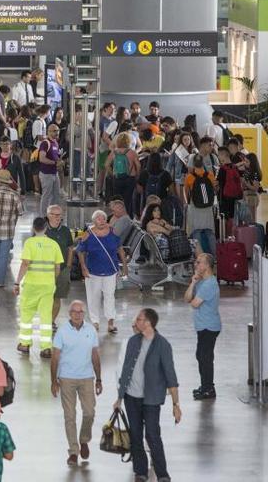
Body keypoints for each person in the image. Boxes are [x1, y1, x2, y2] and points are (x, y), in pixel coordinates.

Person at [114, 308, 181, 482]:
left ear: (149, 323)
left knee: (152, 435)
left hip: (152, 399)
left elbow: (171, 376)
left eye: (139, 319)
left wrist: (176, 405)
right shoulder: (133, 342)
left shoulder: (162, 345)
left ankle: (162, 474)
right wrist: (120, 397)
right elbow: (126, 370)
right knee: (135, 435)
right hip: (131, 397)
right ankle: (140, 471)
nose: (136, 321)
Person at [50, 300, 102, 466]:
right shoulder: (62, 332)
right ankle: (73, 451)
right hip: (67, 378)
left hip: (87, 377)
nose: (78, 315)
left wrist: (99, 378)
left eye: (81, 312)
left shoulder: (91, 330)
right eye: (75, 311)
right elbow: (55, 357)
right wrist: (53, 381)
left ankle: (84, 439)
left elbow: (95, 355)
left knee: (89, 413)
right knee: (69, 416)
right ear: (70, 313)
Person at [13, 217, 64, 357]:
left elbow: (25, 264)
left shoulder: (30, 243)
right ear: (46, 227)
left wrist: (17, 282)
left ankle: (25, 344)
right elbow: (57, 267)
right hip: (48, 285)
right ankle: (46, 347)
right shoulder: (53, 244)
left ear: (33, 228)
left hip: (31, 285)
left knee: (27, 313)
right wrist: (52, 280)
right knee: (46, 316)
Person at [76, 210, 127, 334]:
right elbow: (80, 251)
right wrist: (83, 267)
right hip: (93, 272)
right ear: (93, 221)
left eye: (103, 218)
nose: (102, 221)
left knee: (110, 296)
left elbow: (120, 248)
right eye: (98, 219)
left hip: (110, 270)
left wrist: (124, 265)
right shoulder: (87, 234)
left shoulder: (112, 232)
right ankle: (95, 322)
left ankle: (110, 322)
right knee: (93, 297)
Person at [185, 253, 221, 400]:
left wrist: (194, 284)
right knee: (201, 356)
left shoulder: (209, 284)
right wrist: (193, 282)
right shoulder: (201, 281)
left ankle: (208, 389)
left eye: (199, 262)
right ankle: (205, 386)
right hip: (203, 326)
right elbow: (187, 298)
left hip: (209, 327)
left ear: (207, 266)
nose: (196, 265)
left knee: (205, 358)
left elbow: (194, 303)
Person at [46, 205, 75, 325]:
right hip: (45, 270)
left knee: (57, 297)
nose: (58, 217)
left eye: (60, 215)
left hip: (62, 269)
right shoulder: (42, 230)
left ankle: (51, 321)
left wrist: (68, 266)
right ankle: (45, 320)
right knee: (46, 297)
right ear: (49, 215)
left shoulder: (65, 231)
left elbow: (70, 248)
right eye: (55, 215)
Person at [185, 154, 217, 256]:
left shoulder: (189, 177)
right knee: (210, 232)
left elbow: (187, 193)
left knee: (196, 232)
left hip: (195, 208)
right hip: (208, 208)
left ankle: (200, 256)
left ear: (193, 164)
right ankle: (215, 256)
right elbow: (215, 189)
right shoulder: (210, 175)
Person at [38, 124, 63, 216]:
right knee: (46, 196)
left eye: (57, 130)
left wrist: (60, 161)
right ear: (48, 131)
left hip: (54, 173)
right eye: (54, 131)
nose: (57, 132)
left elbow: (55, 157)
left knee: (56, 195)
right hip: (46, 174)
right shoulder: (45, 143)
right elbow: (42, 158)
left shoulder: (55, 143)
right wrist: (55, 163)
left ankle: (53, 214)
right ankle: (43, 216)